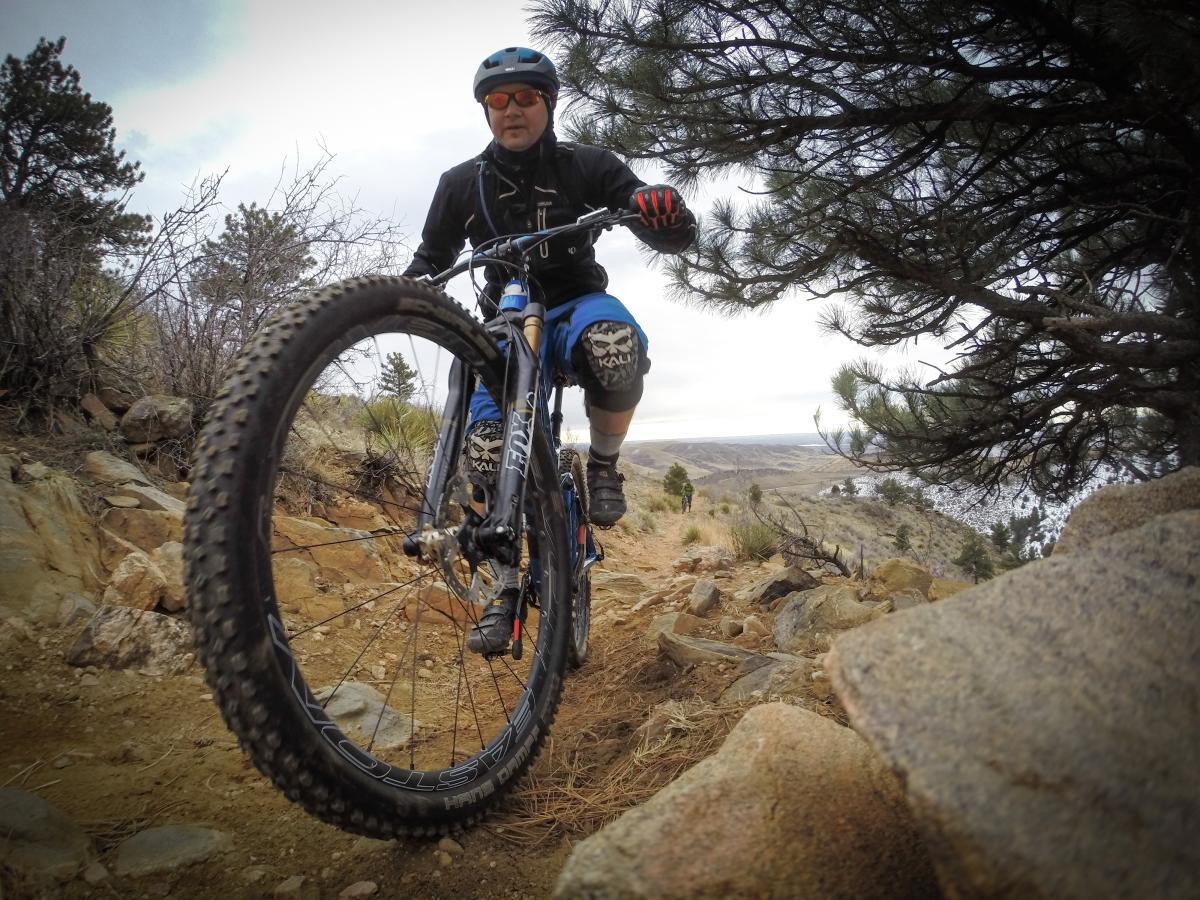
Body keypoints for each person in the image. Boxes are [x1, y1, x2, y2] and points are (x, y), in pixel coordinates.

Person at [403, 46, 696, 654]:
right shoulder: (460, 184)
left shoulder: (586, 165)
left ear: (549, 103)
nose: (512, 109)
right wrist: (390, 297)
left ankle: (604, 465)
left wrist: (662, 209)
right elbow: (429, 261)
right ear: (486, 110)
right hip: (506, 324)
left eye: (526, 97)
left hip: (575, 304)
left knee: (614, 346)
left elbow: (653, 218)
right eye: (498, 99)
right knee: (487, 452)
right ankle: (505, 588)